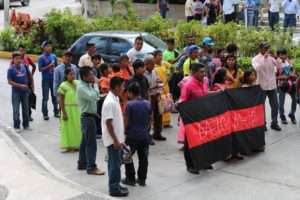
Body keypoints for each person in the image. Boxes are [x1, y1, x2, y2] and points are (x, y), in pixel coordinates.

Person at [179, 63, 212, 174]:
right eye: (201, 72)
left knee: (204, 140)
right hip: (191, 119)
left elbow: (206, 94)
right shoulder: (188, 85)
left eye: (204, 72)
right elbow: (182, 103)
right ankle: (190, 165)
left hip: (203, 116)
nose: (204, 74)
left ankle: (203, 162)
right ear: (194, 73)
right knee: (189, 143)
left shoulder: (205, 81)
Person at [102, 77, 129, 197]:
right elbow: (108, 123)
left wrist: (121, 139)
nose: (123, 89)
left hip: (117, 139)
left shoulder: (116, 98)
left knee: (116, 164)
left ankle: (116, 184)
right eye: (122, 86)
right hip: (113, 141)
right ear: (117, 87)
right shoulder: (109, 102)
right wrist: (116, 140)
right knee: (114, 165)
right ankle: (114, 189)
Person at [77, 66, 105, 176]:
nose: (93, 76)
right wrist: (97, 85)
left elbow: (96, 97)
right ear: (84, 77)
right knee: (91, 143)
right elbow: (94, 96)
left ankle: (82, 163)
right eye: (90, 74)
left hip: (90, 116)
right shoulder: (81, 87)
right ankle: (91, 167)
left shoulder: (88, 85)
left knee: (85, 142)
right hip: (87, 118)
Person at [122, 82, 152, 187]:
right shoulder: (147, 103)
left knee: (127, 156)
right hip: (144, 135)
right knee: (143, 158)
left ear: (130, 93)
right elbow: (150, 120)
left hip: (132, 136)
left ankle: (130, 178)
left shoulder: (129, 105)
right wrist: (146, 130)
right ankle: (142, 179)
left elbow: (126, 121)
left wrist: (124, 132)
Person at [252, 42, 281, 131]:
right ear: (260, 49)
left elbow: (279, 66)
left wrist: (277, 58)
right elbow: (257, 69)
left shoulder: (271, 58)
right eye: (265, 48)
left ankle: (274, 123)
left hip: (272, 85)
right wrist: (264, 58)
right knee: (261, 106)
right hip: (262, 85)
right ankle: (262, 124)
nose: (267, 50)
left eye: (267, 48)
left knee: (275, 105)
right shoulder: (255, 59)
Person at [58, 68, 82, 152]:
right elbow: (61, 100)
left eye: (73, 74)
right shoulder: (63, 85)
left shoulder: (78, 83)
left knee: (77, 127)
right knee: (68, 128)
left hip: (77, 109)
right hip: (67, 109)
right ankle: (69, 146)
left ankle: (77, 145)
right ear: (66, 75)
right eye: (70, 74)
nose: (72, 76)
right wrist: (63, 112)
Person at [7, 52, 32, 133]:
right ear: (13, 59)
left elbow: (29, 76)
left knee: (26, 109)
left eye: (20, 58)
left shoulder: (24, 66)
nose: (18, 60)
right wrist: (20, 85)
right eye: (16, 58)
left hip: (25, 92)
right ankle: (16, 126)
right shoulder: (10, 69)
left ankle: (26, 125)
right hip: (16, 93)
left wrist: (30, 86)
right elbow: (10, 82)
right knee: (16, 110)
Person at [144, 56, 166, 141]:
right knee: (149, 116)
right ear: (146, 64)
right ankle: (147, 135)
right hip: (148, 96)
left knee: (158, 114)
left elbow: (158, 79)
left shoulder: (154, 71)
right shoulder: (144, 74)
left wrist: (159, 82)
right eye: (152, 64)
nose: (154, 65)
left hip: (156, 95)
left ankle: (157, 133)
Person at [38, 41, 59, 120]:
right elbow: (40, 69)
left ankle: (56, 111)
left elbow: (57, 67)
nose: (49, 48)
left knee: (54, 96)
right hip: (45, 80)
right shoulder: (41, 58)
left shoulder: (54, 56)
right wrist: (49, 66)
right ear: (43, 48)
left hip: (53, 80)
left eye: (50, 46)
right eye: (47, 46)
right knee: (45, 97)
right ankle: (45, 114)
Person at [276, 48, 297, 124]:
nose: (283, 56)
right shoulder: (276, 64)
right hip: (282, 85)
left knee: (294, 99)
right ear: (278, 55)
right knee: (281, 103)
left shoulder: (288, 61)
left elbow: (293, 69)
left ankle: (292, 114)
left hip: (291, 84)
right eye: (281, 55)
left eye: (284, 54)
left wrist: (293, 73)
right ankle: (282, 117)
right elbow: (275, 76)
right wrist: (284, 77)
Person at [154, 50, 173, 128]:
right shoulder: (153, 66)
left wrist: (169, 77)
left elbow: (172, 68)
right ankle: (160, 122)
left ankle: (167, 122)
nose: (161, 57)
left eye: (161, 55)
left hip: (166, 86)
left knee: (167, 103)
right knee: (160, 105)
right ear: (154, 57)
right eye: (159, 55)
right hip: (158, 88)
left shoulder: (164, 63)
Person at [18, 45, 36, 122]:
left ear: (25, 51)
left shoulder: (27, 58)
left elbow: (34, 66)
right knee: (19, 100)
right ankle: (18, 117)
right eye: (20, 50)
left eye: (22, 50)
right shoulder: (15, 59)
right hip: (19, 84)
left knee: (28, 99)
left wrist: (31, 75)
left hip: (27, 83)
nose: (21, 52)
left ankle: (28, 115)